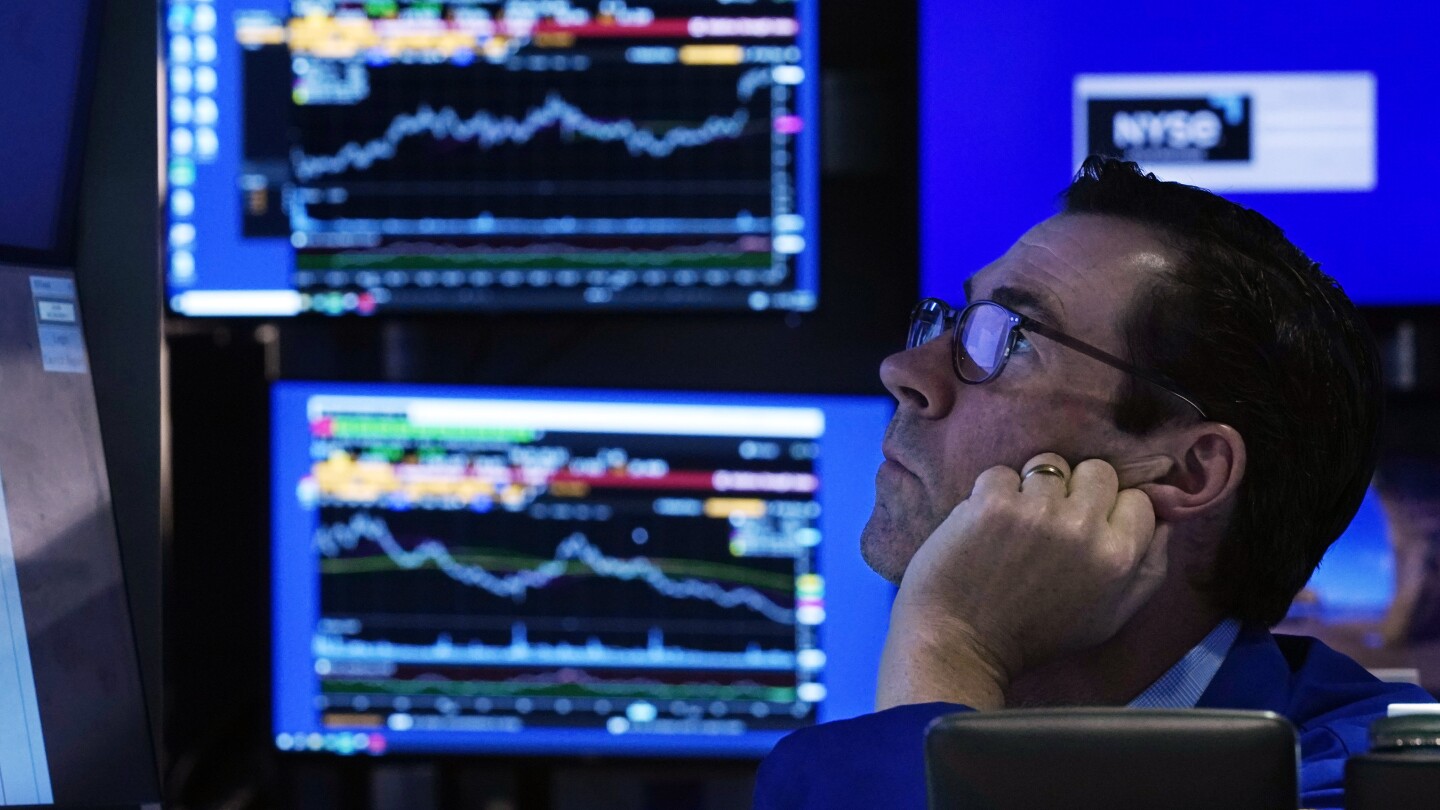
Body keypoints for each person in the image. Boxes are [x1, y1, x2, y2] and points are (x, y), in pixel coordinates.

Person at [754, 157, 1435, 809]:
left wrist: (949, 642)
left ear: (1191, 471)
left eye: (1009, 339)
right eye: (958, 322)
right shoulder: (823, 771)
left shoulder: (1374, 782)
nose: (904, 371)